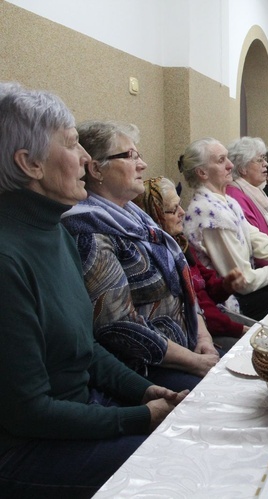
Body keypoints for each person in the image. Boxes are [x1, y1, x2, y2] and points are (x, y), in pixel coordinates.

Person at [0, 83, 187, 497]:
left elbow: (84, 350)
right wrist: (139, 417)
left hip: (82, 415)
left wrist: (144, 391)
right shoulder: (8, 258)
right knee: (179, 470)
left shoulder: (54, 231)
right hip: (28, 449)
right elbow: (28, 413)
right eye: (71, 144)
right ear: (29, 163)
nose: (86, 157)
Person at [62, 120, 219, 392]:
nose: (142, 165)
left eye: (139, 155)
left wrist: (203, 335)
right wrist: (195, 362)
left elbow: (182, 291)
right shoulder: (88, 231)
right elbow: (118, 326)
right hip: (145, 371)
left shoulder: (136, 217)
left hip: (190, 346)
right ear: (96, 168)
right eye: (129, 156)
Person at [180, 138, 268, 320]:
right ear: (202, 172)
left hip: (249, 288)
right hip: (232, 301)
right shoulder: (208, 212)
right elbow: (243, 281)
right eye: (221, 160)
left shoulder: (226, 201)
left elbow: (257, 240)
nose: (230, 165)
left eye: (227, 158)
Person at [134, 177, 248, 349]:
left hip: (216, 320)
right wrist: (239, 329)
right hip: (198, 332)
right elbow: (196, 308)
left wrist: (226, 285)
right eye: (173, 210)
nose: (182, 212)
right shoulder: (159, 257)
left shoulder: (180, 244)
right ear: (154, 215)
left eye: (179, 205)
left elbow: (207, 291)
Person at [226, 136, 268, 269]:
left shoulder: (256, 192)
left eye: (265, 159)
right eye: (260, 160)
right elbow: (256, 248)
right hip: (262, 271)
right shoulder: (235, 196)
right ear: (243, 168)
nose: (266, 164)